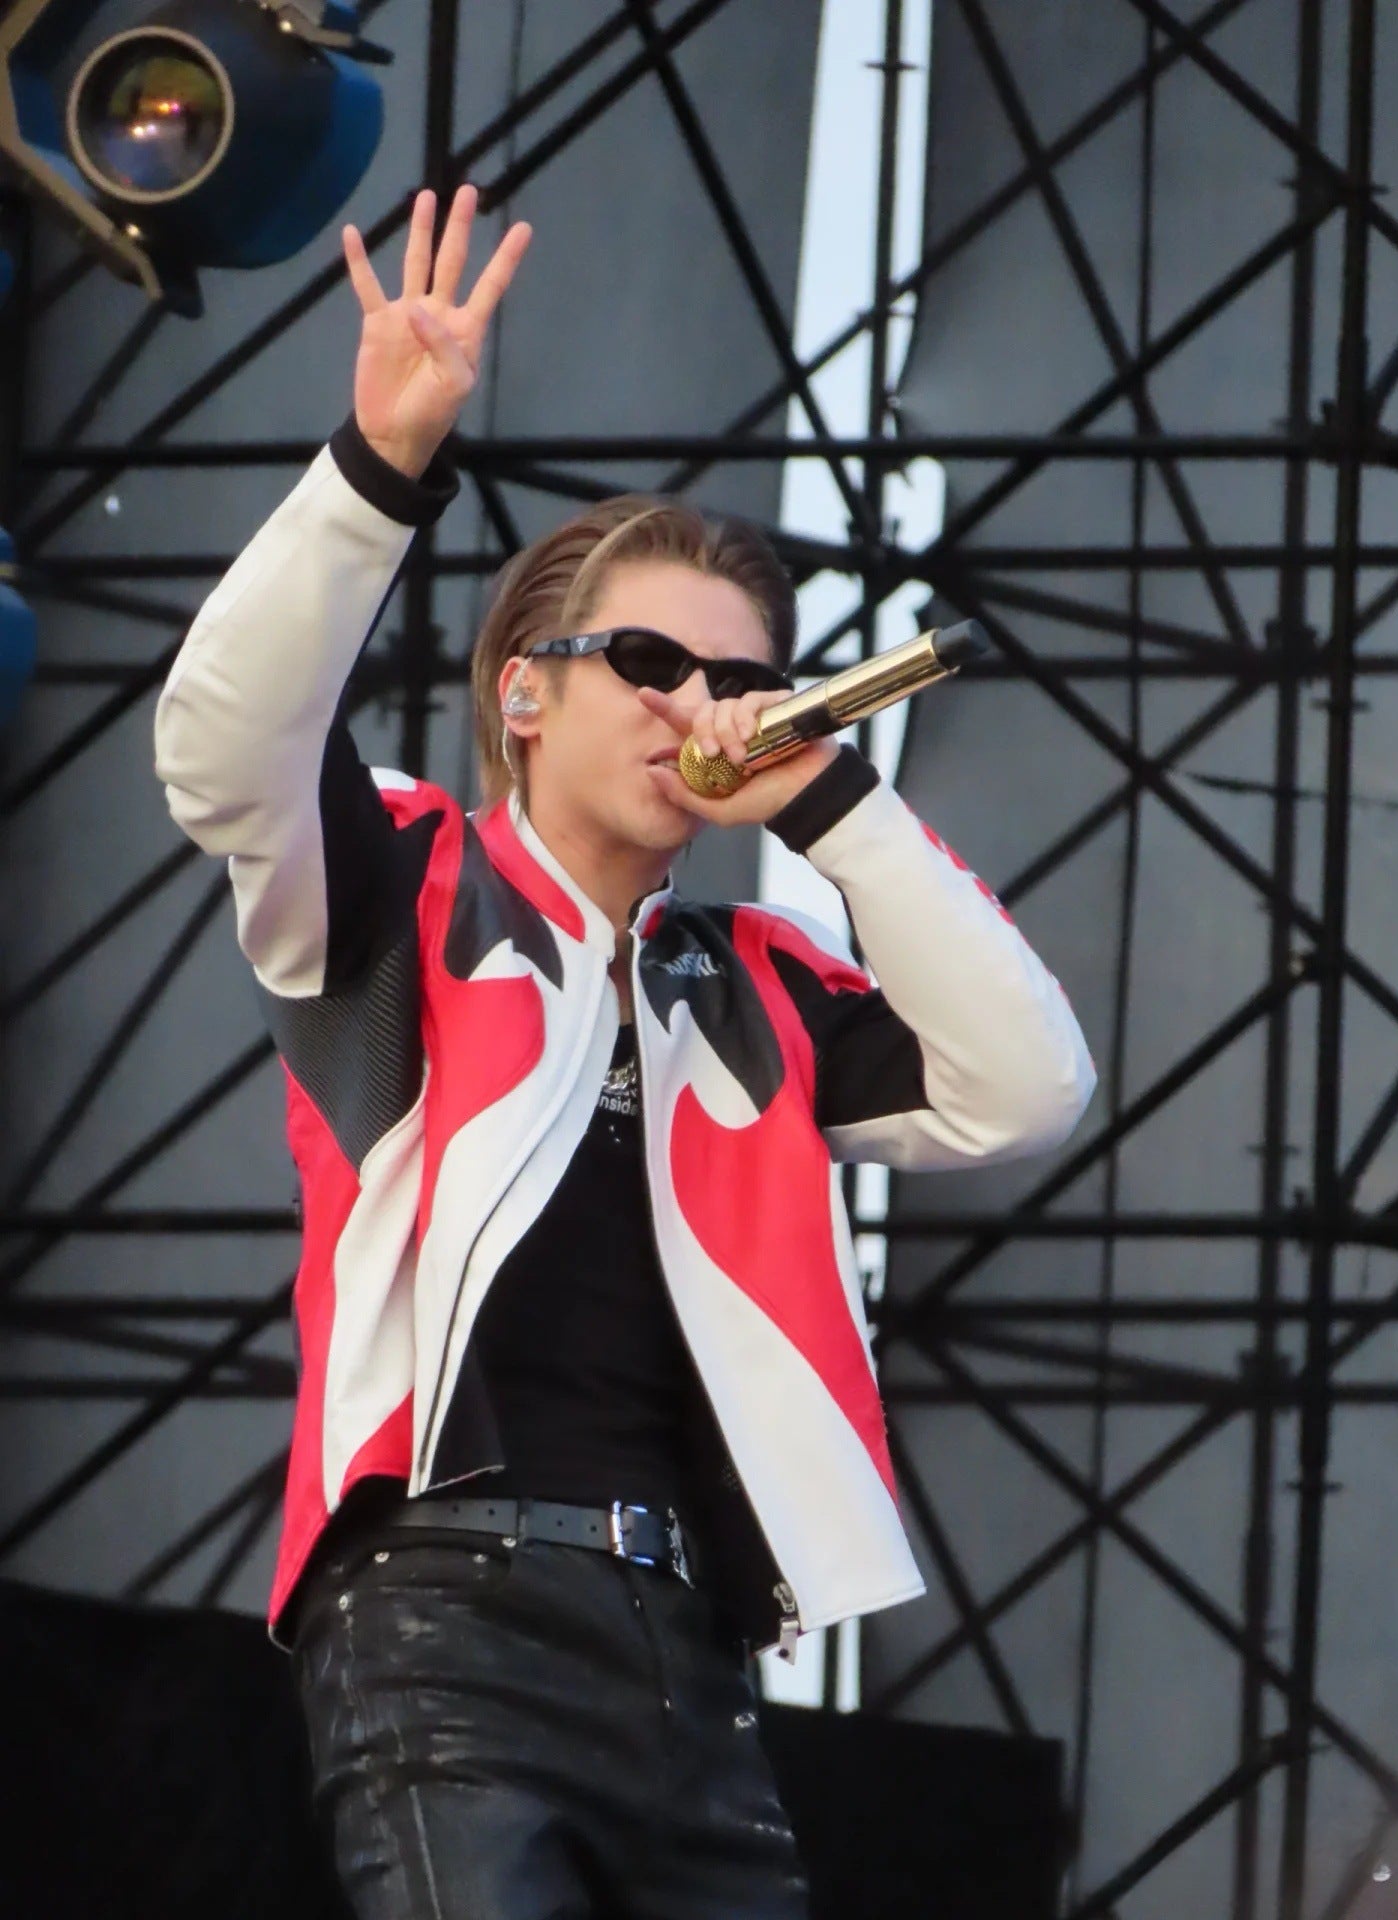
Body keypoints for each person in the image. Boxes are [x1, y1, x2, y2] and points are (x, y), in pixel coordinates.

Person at [153, 184, 1096, 1920]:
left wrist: (837, 805)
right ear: (525, 690)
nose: (698, 707)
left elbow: (1025, 1085)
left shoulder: (754, 985)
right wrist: (377, 469)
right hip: (444, 1607)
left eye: (738, 679)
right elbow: (221, 754)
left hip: (693, 1657)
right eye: (649, 661)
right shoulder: (406, 880)